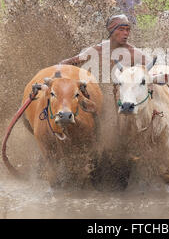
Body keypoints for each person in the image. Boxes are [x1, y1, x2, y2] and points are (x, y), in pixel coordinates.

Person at [59, 14, 150, 190]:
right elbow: (70, 62)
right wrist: (60, 70)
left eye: (128, 30)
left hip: (123, 97)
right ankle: (88, 163)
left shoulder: (133, 53)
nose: (126, 34)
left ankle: (127, 162)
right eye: (121, 29)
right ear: (111, 31)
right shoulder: (97, 50)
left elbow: (151, 68)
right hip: (97, 97)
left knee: (123, 132)